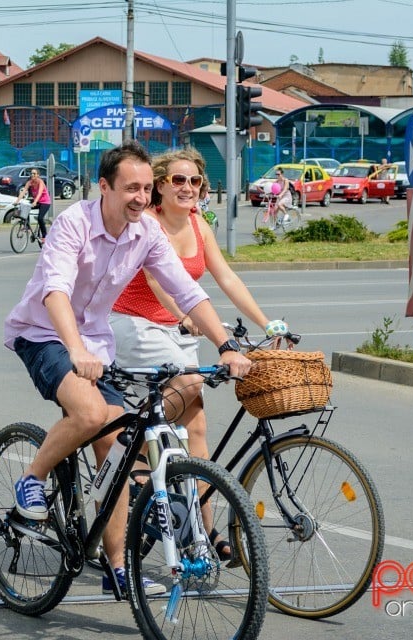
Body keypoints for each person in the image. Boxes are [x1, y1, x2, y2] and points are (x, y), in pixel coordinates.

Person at [3, 141, 252, 596]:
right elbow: (54, 291)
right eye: (130, 188)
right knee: (93, 415)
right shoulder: (73, 223)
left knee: (114, 450)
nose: (140, 197)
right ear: (104, 187)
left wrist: (227, 345)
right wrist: (76, 350)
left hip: (97, 343)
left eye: (144, 188)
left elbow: (187, 291)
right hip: (44, 335)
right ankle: (31, 479)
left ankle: (118, 567)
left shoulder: (146, 233)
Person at [109, 148, 289, 556]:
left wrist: (267, 323)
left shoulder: (198, 223)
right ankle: (126, 446)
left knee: (199, 428)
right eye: (178, 180)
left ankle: (204, 534)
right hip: (134, 323)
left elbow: (225, 276)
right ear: (160, 185)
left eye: (195, 181)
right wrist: (184, 318)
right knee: (189, 385)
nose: (188, 188)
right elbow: (159, 281)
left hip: (175, 330)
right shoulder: (148, 224)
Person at [15, 168, 51, 240]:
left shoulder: (41, 182)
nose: (32, 175)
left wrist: (35, 202)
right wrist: (17, 201)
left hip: (45, 202)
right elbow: (23, 191)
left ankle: (44, 236)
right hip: (37, 202)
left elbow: (40, 193)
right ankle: (27, 227)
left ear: (38, 175)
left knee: (40, 218)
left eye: (34, 174)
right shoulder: (29, 182)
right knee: (25, 208)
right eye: (31, 173)